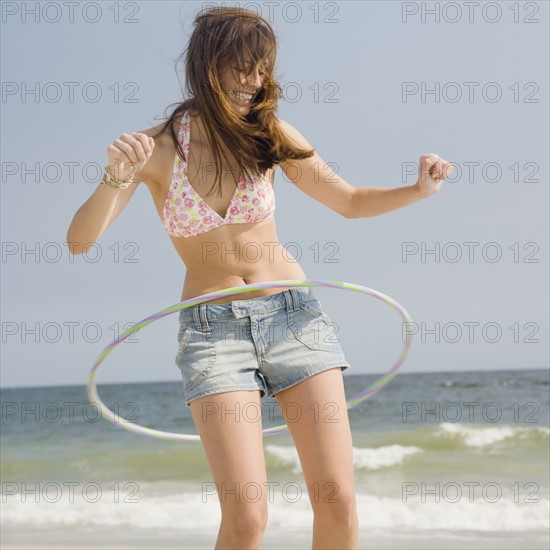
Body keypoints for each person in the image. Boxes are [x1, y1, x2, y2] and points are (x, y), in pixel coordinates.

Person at [66, 6, 452, 549]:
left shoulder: (268, 133)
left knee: (337, 499)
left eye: (262, 68)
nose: (254, 81)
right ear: (207, 65)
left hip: (294, 318)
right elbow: (80, 242)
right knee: (247, 519)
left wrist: (418, 190)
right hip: (212, 333)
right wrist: (114, 177)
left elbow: (349, 201)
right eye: (241, 67)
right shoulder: (154, 151)